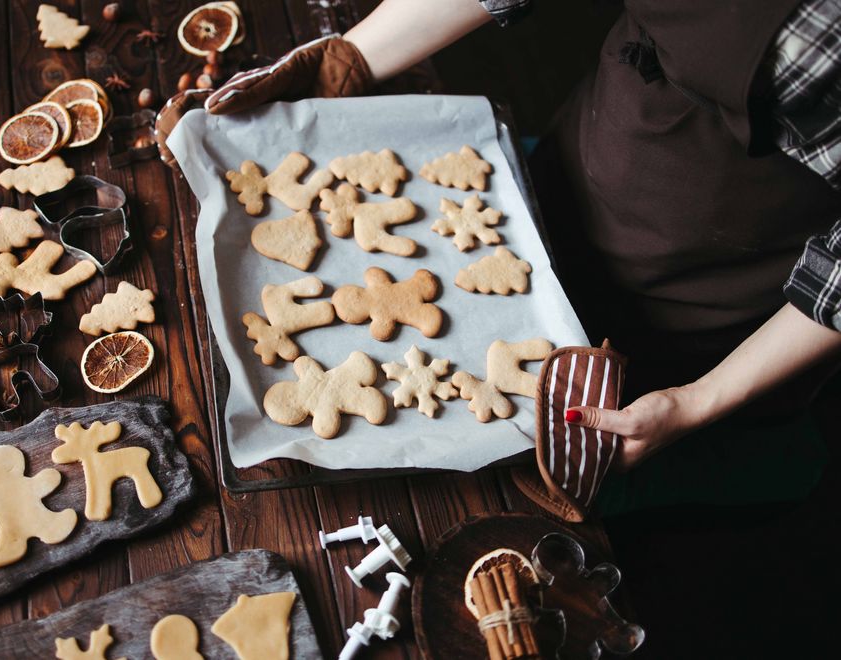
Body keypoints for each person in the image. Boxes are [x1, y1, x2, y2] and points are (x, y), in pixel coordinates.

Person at [204, 0, 841, 471]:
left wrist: (697, 400)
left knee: (594, 488)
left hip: (708, 315)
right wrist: (347, 62)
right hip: (553, 182)